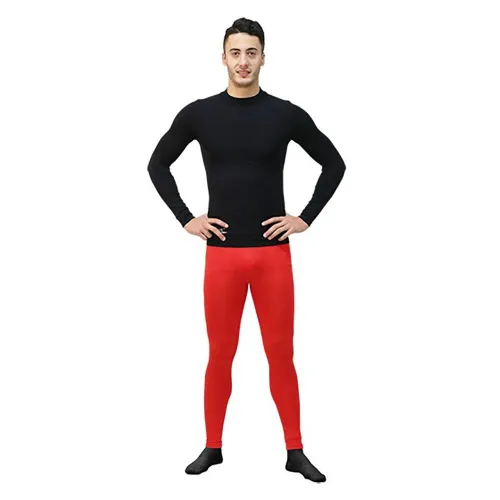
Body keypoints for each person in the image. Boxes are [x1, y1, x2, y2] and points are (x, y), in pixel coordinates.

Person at [147, 17, 346, 483]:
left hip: (272, 256)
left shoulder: (285, 114)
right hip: (222, 256)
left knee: (280, 354)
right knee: (220, 353)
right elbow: (157, 164)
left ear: (263, 58)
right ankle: (212, 446)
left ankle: (294, 450)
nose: (243, 61)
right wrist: (186, 218)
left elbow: (334, 164)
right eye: (235, 53)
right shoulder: (199, 114)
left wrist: (305, 217)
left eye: (251, 52)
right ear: (223, 58)